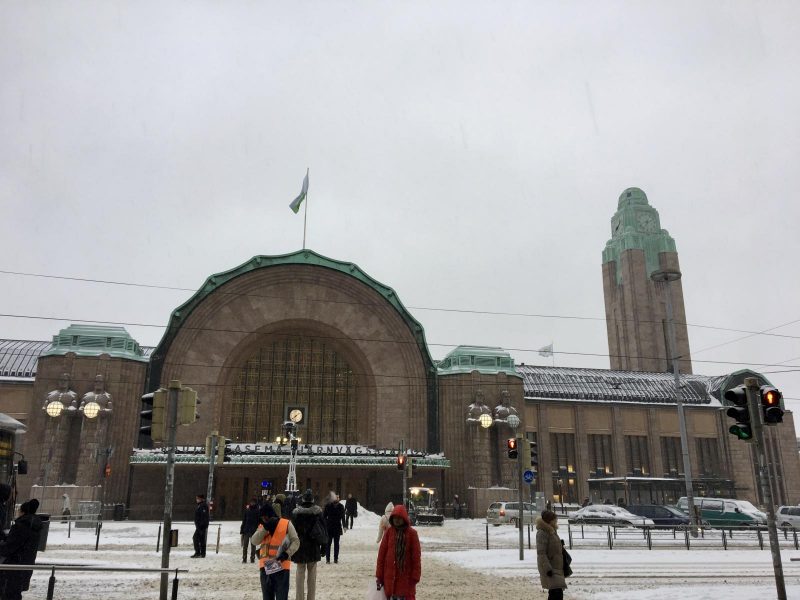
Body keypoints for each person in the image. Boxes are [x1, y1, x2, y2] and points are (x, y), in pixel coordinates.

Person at [250, 502, 300, 600]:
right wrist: (265, 528)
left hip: (281, 565)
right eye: (262, 518)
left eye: (265, 517)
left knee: (281, 597)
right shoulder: (262, 526)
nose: (263, 519)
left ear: (269, 515)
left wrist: (287, 554)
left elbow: (296, 541)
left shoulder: (286, 523)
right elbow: (254, 541)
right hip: (265, 567)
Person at [376, 504, 421, 600]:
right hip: (389, 580)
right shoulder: (388, 533)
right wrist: (379, 576)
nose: (397, 520)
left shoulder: (412, 534)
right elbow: (381, 556)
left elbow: (416, 558)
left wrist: (415, 577)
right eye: (395, 517)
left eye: (399, 518)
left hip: (406, 581)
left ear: (404, 518)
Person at [0, 499, 42, 600]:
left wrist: (2, 544)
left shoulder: (21, 526)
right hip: (24, 566)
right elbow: (20, 542)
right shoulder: (34, 525)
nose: (17, 512)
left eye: (19, 510)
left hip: (13, 569)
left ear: (23, 512)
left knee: (9, 595)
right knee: (15, 594)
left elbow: (8, 548)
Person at [291, 489, 325, 600]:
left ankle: (299, 598)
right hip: (313, 547)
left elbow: (292, 532)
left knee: (300, 575)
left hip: (300, 547)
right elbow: (323, 530)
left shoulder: (296, 513)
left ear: (303, 499)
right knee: (312, 576)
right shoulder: (318, 512)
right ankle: (311, 598)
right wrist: (324, 546)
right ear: (312, 500)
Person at [536, 510, 567, 600]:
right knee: (556, 594)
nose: (556, 521)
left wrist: (560, 544)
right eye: (554, 519)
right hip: (551, 569)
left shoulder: (552, 530)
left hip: (557, 567)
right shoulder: (542, 533)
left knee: (556, 594)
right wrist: (547, 569)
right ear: (549, 520)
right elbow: (541, 553)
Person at [322, 493, 346, 564]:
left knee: (336, 544)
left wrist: (344, 526)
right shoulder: (328, 506)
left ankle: (336, 559)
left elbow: (343, 517)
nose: (337, 498)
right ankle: (327, 559)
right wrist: (325, 523)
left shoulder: (341, 506)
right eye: (336, 497)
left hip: (337, 527)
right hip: (329, 527)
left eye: (338, 497)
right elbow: (324, 516)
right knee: (328, 544)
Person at [241, 498, 260, 563]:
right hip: (246, 530)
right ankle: (244, 559)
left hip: (253, 531)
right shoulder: (247, 510)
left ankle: (252, 559)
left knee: (253, 546)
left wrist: (257, 529)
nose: (252, 503)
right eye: (251, 502)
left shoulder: (257, 511)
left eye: (253, 502)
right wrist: (242, 530)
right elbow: (244, 520)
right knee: (245, 546)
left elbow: (259, 521)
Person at [192, 494, 210, 558]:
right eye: (196, 498)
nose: (196, 500)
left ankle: (198, 553)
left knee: (195, 538)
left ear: (201, 499)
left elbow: (204, 517)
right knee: (201, 539)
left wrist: (201, 526)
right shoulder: (200, 505)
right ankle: (202, 553)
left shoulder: (203, 506)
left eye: (198, 498)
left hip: (201, 526)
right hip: (199, 526)